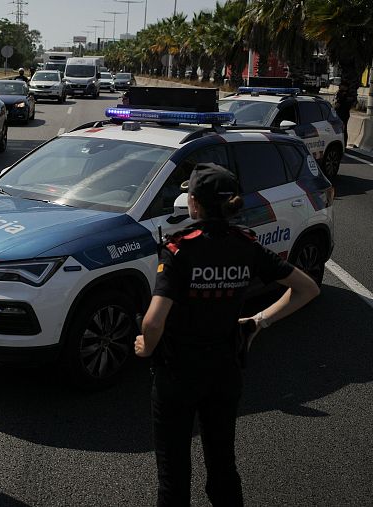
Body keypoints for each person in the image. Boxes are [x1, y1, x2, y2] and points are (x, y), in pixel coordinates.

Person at [134, 164, 320, 506]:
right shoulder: (245, 245)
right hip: (224, 371)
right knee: (222, 466)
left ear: (193, 204)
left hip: (177, 375)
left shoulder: (179, 250)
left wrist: (145, 346)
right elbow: (307, 288)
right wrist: (258, 322)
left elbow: (154, 320)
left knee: (173, 477)